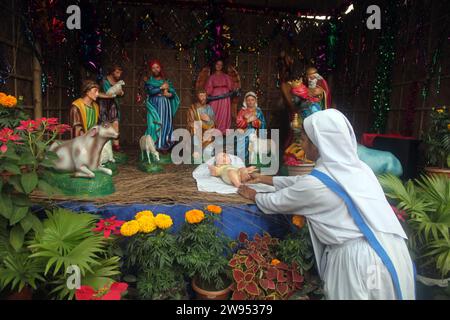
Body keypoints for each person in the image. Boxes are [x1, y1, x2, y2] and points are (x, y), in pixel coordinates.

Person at [238, 109, 415, 300]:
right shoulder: (359, 169)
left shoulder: (316, 184)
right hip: (392, 252)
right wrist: (265, 179)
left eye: (304, 140)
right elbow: (307, 183)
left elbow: (277, 202)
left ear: (318, 144)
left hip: (360, 262)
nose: (301, 145)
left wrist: (254, 195)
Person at [144, 60, 180, 152]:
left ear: (160, 68)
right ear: (151, 70)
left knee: (165, 124)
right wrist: (161, 88)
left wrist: (170, 95)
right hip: (155, 106)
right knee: (154, 124)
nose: (155, 69)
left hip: (165, 106)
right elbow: (151, 92)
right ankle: (155, 145)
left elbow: (172, 93)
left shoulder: (166, 81)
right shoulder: (149, 82)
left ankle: (164, 145)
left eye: (157, 67)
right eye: (153, 68)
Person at [98, 65, 124, 152]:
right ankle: (104, 146)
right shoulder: (104, 81)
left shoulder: (118, 82)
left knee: (115, 123)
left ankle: (116, 145)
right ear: (112, 72)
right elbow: (108, 93)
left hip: (113, 105)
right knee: (105, 124)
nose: (119, 74)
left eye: (120, 73)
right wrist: (118, 93)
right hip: (104, 104)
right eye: (117, 72)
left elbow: (120, 94)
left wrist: (121, 93)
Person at [205, 59, 235, 134]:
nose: (219, 66)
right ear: (214, 65)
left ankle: (223, 130)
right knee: (213, 112)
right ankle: (214, 129)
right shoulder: (211, 77)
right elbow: (208, 90)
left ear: (222, 66)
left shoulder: (226, 76)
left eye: (220, 65)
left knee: (224, 113)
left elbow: (231, 87)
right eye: (217, 64)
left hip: (225, 98)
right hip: (215, 97)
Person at [235, 91, 266, 162]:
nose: (250, 102)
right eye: (248, 100)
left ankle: (252, 161)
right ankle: (242, 161)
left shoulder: (258, 111)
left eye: (252, 100)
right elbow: (238, 123)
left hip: (255, 133)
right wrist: (248, 121)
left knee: (254, 143)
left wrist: (256, 122)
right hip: (244, 132)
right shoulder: (242, 111)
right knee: (241, 142)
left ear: (255, 101)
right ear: (245, 101)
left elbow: (263, 123)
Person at [187, 89, 216, 160]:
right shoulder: (193, 108)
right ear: (197, 97)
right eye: (201, 95)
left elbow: (214, 122)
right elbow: (190, 122)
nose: (203, 97)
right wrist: (199, 125)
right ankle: (197, 152)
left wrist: (208, 119)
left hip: (208, 130)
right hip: (197, 130)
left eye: (204, 95)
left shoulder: (209, 108)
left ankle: (208, 151)